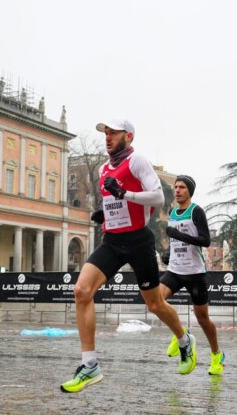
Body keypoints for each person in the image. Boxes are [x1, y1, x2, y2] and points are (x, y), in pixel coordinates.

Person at [61, 119, 196, 393]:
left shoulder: (137, 161)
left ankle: (185, 341)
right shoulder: (103, 168)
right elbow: (116, 201)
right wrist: (105, 213)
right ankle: (89, 365)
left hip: (138, 241)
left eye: (114, 133)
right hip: (113, 241)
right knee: (81, 291)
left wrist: (124, 193)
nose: (108, 137)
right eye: (106, 133)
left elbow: (157, 198)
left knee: (155, 305)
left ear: (129, 136)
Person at [160, 175, 225, 375]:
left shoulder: (196, 211)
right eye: (176, 187)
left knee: (202, 318)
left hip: (195, 273)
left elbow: (205, 241)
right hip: (175, 270)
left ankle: (217, 355)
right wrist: (168, 252)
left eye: (182, 187)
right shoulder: (172, 212)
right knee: (156, 301)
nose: (177, 190)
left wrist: (179, 235)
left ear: (190, 191)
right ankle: (182, 335)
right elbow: (174, 240)